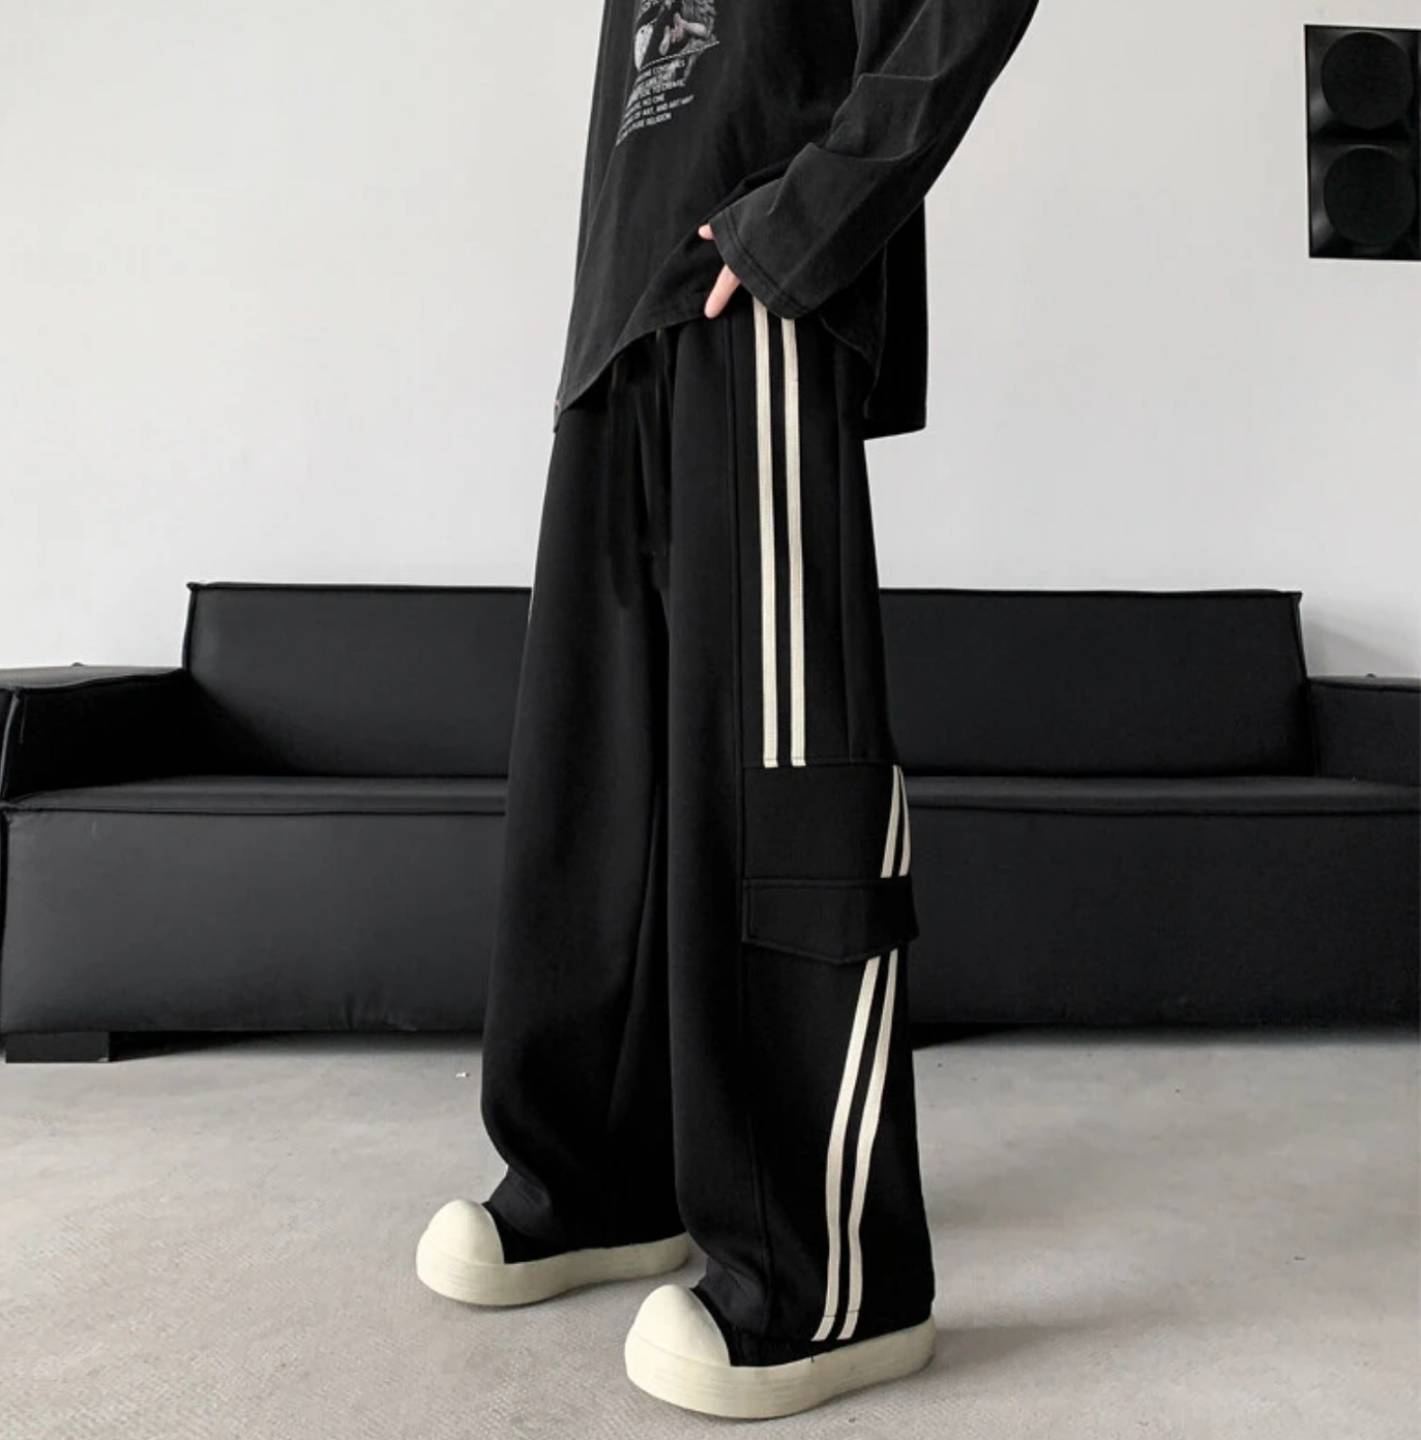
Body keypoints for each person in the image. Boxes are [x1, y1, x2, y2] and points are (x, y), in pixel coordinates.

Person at [416, 0, 1039, 1418]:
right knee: (589, 786)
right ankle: (594, 1176)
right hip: (614, 327)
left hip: (758, 294)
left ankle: (824, 1275)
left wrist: (803, 223)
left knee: (778, 781)